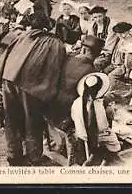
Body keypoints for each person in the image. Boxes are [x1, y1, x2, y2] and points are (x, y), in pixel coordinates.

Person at [0, 11, 67, 166]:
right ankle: (34, 156)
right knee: (32, 121)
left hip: (8, 79)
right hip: (31, 85)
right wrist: (49, 94)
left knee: (11, 119)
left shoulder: (21, 37)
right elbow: (55, 69)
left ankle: (14, 155)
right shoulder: (54, 43)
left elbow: (3, 55)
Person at [45, 35, 105, 165]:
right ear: (98, 55)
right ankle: (87, 151)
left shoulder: (67, 60)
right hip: (66, 115)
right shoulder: (92, 72)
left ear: (83, 50)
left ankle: (55, 140)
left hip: (48, 106)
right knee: (96, 111)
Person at [70, 72, 121, 166]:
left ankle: (94, 155)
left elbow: (74, 118)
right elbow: (107, 122)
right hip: (96, 135)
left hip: (82, 134)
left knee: (99, 134)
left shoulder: (76, 102)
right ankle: (106, 159)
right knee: (115, 144)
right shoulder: (100, 103)